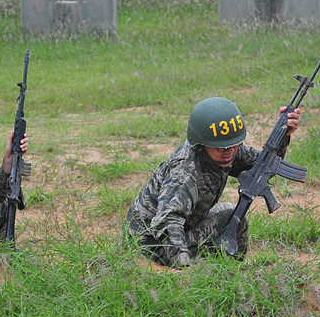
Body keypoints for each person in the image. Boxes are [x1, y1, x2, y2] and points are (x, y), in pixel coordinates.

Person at [124, 97, 300, 269]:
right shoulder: (185, 172)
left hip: (182, 226)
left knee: (233, 217)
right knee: (230, 217)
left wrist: (282, 134)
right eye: (223, 148)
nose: (230, 152)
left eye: (236, 144)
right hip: (151, 245)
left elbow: (263, 166)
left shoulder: (224, 148)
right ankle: (218, 276)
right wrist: (184, 267)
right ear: (203, 144)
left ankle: (229, 274)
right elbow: (168, 222)